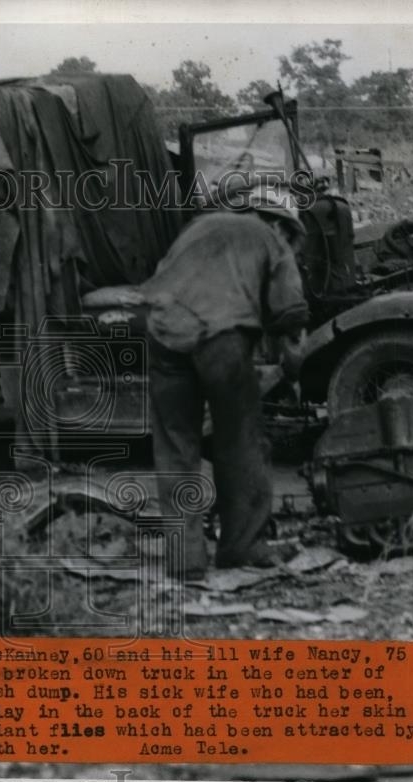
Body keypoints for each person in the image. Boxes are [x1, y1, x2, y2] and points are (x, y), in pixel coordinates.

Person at [138, 198, 309, 578]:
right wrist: (294, 374)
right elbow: (291, 316)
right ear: (283, 227)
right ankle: (242, 546)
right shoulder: (272, 239)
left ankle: (185, 560)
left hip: (163, 333)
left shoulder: (197, 226)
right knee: (242, 439)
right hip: (221, 336)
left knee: (176, 445)